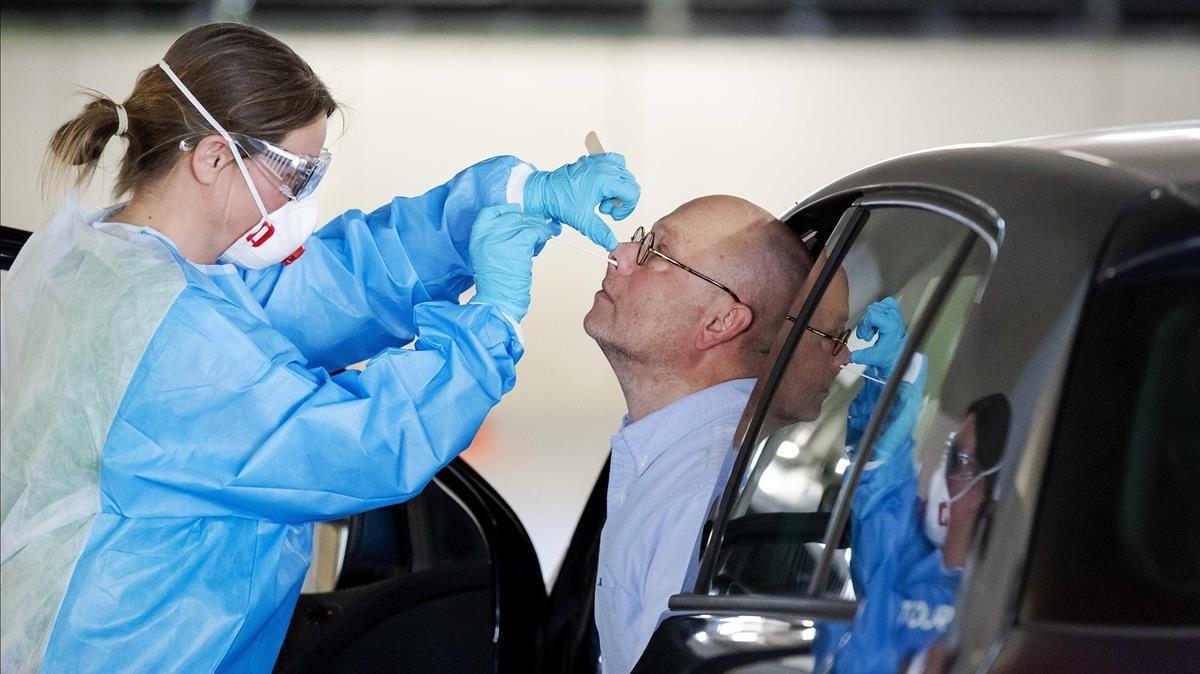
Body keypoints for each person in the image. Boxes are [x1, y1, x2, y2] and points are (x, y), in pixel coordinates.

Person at [0, 22, 640, 673]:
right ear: (214, 159)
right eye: (295, 175)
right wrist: (493, 322)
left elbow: (333, 286)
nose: (301, 200)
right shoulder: (178, 342)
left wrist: (511, 197)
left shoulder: (108, 263)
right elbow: (361, 444)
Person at [582, 195, 818, 673]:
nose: (620, 254)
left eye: (656, 252)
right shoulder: (676, 458)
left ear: (721, 321)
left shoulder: (702, 489)